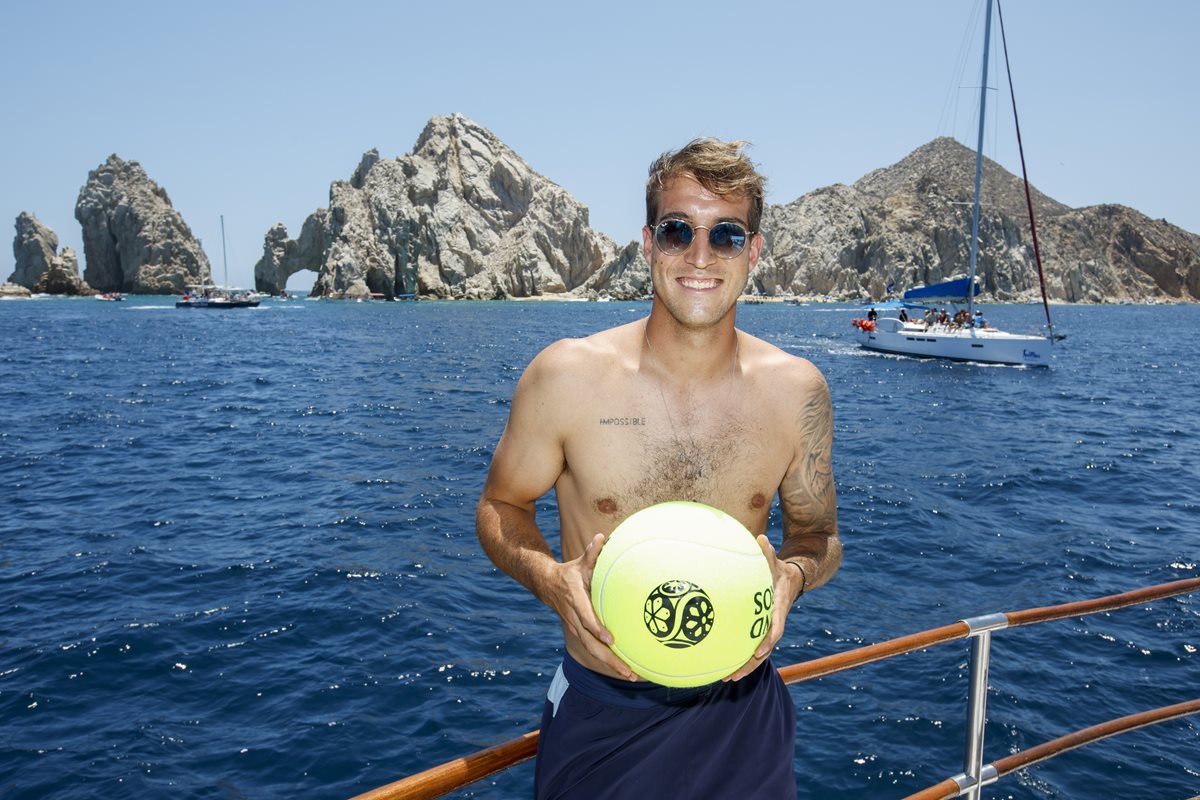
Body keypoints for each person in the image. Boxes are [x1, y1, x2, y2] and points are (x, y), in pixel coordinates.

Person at [477, 138, 842, 799]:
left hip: (744, 717)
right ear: (649, 245)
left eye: (726, 235)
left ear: (754, 252)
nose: (701, 256)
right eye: (678, 231)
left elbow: (820, 537)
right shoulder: (565, 376)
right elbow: (500, 506)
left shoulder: (797, 392)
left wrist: (791, 577)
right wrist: (552, 580)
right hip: (605, 717)